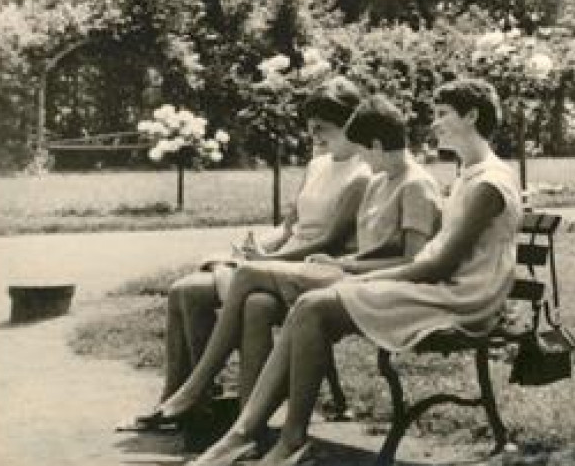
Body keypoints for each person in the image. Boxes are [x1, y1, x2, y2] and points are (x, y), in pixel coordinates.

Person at [173, 78, 523, 466]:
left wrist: (357, 277)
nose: (435, 124)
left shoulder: (488, 182)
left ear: (472, 116)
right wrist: (357, 273)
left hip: (463, 297)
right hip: (441, 287)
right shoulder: (469, 174)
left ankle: (275, 440)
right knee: (309, 306)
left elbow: (438, 267)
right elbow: (432, 261)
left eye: (443, 114)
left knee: (315, 304)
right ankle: (251, 436)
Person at [150, 95, 442, 423]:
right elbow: (340, 239)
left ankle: (201, 390)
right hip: (337, 270)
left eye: (362, 150)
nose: (316, 137)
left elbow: (409, 261)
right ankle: (229, 417)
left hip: (357, 280)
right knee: (236, 298)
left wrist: (344, 264)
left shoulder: (397, 182)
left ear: (368, 141)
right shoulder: (374, 177)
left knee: (249, 283)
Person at [120, 76, 370, 433]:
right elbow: (288, 228)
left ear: (350, 124)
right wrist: (252, 247)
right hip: (281, 259)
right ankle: (179, 399)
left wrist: (267, 262)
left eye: (323, 129)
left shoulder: (361, 173)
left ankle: (216, 404)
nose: (314, 137)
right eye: (310, 128)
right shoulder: (318, 165)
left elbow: (328, 241)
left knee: (236, 299)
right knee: (183, 289)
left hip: (310, 266)